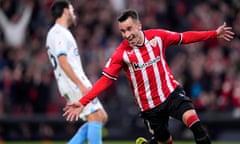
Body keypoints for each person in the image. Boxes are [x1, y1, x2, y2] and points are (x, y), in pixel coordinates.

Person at [63, 9, 235, 144]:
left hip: (171, 94)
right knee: (165, 142)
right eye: (122, 31)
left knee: (197, 128)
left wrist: (214, 33)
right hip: (150, 108)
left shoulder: (158, 37)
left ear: (139, 25)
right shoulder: (121, 54)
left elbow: (185, 37)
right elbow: (105, 80)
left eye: (129, 29)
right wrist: (83, 101)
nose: (127, 34)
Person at [45, 1, 108, 144]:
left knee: (102, 117)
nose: (74, 14)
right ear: (65, 11)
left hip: (74, 81)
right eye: (72, 10)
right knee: (95, 117)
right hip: (73, 82)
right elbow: (63, 61)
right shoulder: (58, 32)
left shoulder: (59, 32)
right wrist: (79, 84)